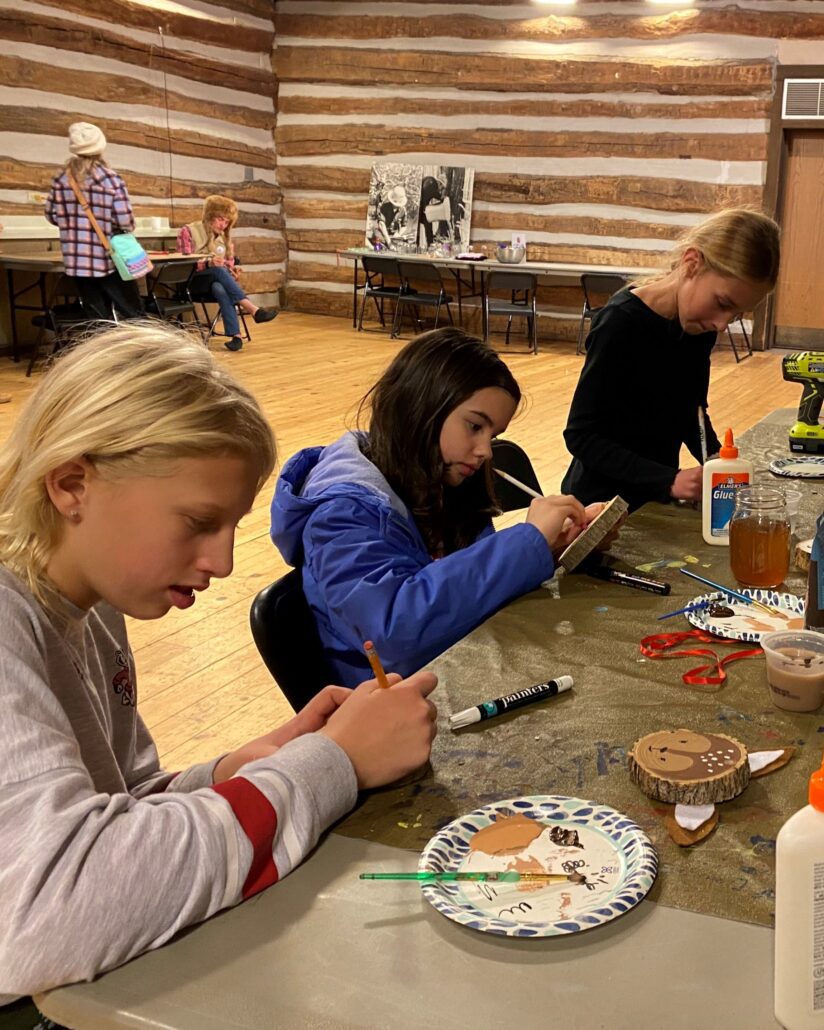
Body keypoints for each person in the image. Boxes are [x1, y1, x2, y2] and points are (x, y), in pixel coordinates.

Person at [0, 322, 437, 1005]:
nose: (223, 562)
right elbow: (54, 907)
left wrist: (240, 769)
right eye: (199, 522)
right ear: (71, 483)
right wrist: (334, 765)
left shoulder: (90, 598)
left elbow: (117, 806)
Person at [270, 327, 605, 689]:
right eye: (474, 426)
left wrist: (553, 548)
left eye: (492, 436)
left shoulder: (439, 482)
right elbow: (394, 636)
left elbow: (461, 592)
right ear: (420, 406)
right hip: (390, 708)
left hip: (457, 672)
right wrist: (526, 544)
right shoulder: (342, 516)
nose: (486, 451)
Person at [561, 208, 781, 512]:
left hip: (654, 500)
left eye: (736, 315)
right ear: (692, 263)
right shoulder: (620, 323)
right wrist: (670, 480)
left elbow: (690, 411)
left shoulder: (697, 329)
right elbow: (581, 435)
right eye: (722, 304)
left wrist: (715, 457)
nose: (721, 324)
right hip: (600, 508)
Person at [44, 122, 143, 321]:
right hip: (110, 258)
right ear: (100, 148)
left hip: (77, 262)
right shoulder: (110, 179)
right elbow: (125, 222)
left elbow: (51, 215)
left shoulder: (61, 179)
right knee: (134, 314)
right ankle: (143, 351)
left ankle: (105, 352)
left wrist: (74, 228)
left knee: (96, 318)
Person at [177, 195, 278, 352]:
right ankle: (252, 309)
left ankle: (236, 337)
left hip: (216, 281)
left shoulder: (224, 238)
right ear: (209, 215)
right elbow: (182, 264)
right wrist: (207, 264)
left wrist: (234, 270)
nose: (223, 225)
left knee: (220, 287)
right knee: (217, 271)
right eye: (220, 219)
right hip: (193, 281)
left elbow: (229, 262)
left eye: (226, 222)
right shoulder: (188, 231)